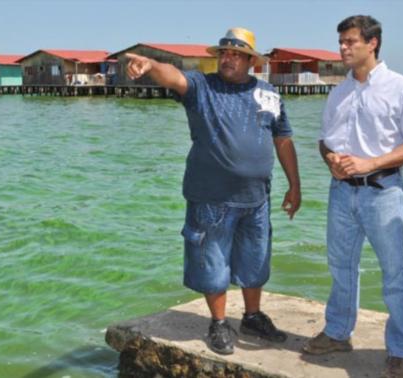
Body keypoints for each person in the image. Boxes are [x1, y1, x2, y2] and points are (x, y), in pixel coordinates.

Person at [125, 27, 301, 355]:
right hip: (211, 198)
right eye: (224, 53)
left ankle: (252, 316)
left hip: (257, 198)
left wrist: (295, 185)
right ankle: (219, 323)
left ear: (250, 60)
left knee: (255, 261)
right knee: (212, 263)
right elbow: (174, 77)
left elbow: (283, 139)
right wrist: (150, 65)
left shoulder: (269, 94)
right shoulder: (202, 87)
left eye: (236, 54)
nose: (228, 59)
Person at [301, 15, 403, 378]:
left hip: (384, 192)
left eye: (350, 42)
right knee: (341, 267)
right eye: (341, 42)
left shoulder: (402, 87)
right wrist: (330, 159)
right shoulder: (339, 91)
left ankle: (402, 350)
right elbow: (325, 140)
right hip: (340, 193)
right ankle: (338, 333)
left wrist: (370, 163)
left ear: (372, 43)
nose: (343, 48)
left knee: (396, 273)